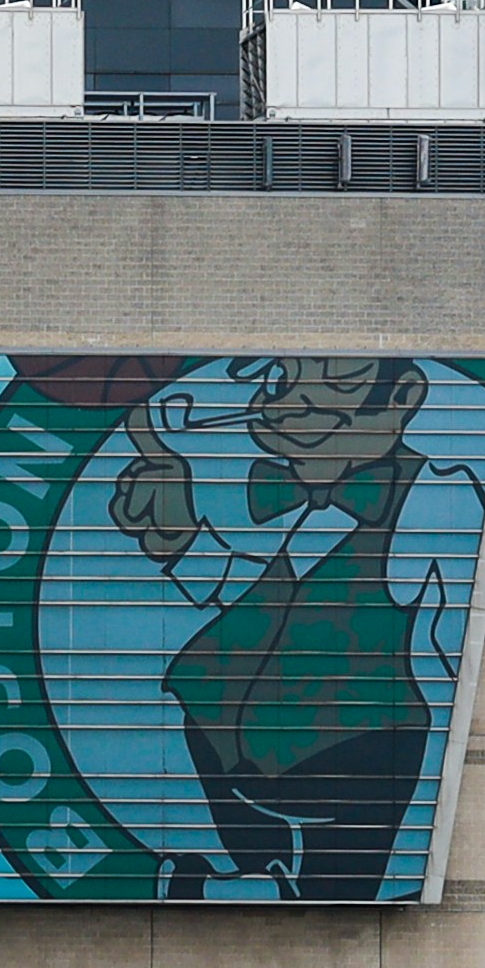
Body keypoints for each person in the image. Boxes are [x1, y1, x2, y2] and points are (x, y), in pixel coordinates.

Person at [102, 357, 443, 900]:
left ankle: (281, 890)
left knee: (337, 902)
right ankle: (262, 879)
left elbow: (457, 664)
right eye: (280, 381)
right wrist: (184, 541)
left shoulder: (431, 504)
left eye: (337, 380)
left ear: (403, 397)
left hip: (349, 759)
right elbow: (268, 599)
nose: (292, 402)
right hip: (239, 758)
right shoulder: (323, 503)